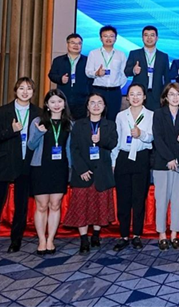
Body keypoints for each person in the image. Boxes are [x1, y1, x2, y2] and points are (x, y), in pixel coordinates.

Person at [0, 78, 38, 255]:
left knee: (21, 204)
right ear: (15, 91)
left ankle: (16, 239)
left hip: (25, 163)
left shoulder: (38, 113)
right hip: (5, 163)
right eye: (21, 88)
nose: (25, 92)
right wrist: (11, 130)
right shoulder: (1, 112)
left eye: (29, 88)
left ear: (33, 92)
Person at [66, 94, 118, 254]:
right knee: (82, 207)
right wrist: (81, 169)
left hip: (102, 172)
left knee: (99, 206)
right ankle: (83, 239)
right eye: (92, 103)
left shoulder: (110, 125)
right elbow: (73, 149)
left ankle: (96, 235)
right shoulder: (78, 125)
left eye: (100, 102)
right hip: (83, 172)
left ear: (104, 106)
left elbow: (112, 143)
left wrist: (100, 139)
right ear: (87, 106)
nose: (96, 105)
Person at [26, 89, 69, 255]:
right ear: (47, 105)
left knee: (55, 205)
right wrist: (39, 132)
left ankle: (50, 239)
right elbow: (31, 145)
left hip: (60, 169)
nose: (56, 105)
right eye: (52, 102)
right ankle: (41, 240)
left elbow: (69, 150)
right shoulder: (38, 121)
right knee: (42, 206)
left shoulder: (69, 124)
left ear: (64, 104)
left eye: (59, 101)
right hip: (40, 168)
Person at [151, 83, 179, 250]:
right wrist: (169, 158)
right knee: (161, 200)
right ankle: (162, 234)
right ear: (166, 97)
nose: (175, 98)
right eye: (172, 94)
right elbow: (158, 138)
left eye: (178, 95)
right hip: (162, 163)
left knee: (177, 200)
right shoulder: (158, 114)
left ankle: (174, 234)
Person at [113, 84, 154, 251]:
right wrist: (113, 162)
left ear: (144, 96)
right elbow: (116, 140)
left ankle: (137, 235)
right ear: (127, 97)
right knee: (123, 199)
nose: (135, 97)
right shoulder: (121, 116)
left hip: (141, 157)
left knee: (138, 199)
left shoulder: (150, 115)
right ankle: (123, 235)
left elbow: (152, 138)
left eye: (139, 94)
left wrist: (141, 134)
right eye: (132, 94)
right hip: (123, 158)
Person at [85, 26, 125, 121]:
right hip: (98, 90)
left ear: (115, 38)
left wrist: (117, 85)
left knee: (113, 118)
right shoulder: (93, 53)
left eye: (111, 36)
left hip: (115, 92)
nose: (108, 38)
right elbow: (88, 72)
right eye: (105, 36)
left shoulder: (121, 54)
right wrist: (96, 73)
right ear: (101, 38)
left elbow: (123, 74)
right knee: (97, 117)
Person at [50, 33, 92, 119]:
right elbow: (51, 75)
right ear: (67, 44)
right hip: (63, 97)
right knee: (63, 121)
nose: (76, 45)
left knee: (80, 123)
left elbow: (92, 78)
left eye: (79, 43)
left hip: (82, 99)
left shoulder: (88, 61)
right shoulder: (58, 60)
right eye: (73, 43)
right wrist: (60, 79)